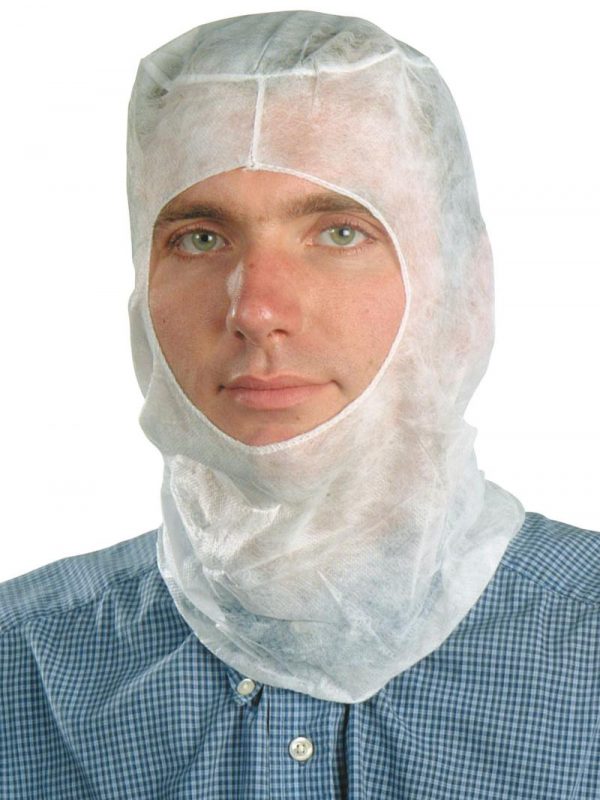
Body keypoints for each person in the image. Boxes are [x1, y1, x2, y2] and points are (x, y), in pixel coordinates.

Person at [1, 10, 598, 798]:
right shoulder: (22, 670)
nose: (255, 309)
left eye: (340, 233)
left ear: (460, 286)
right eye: (200, 237)